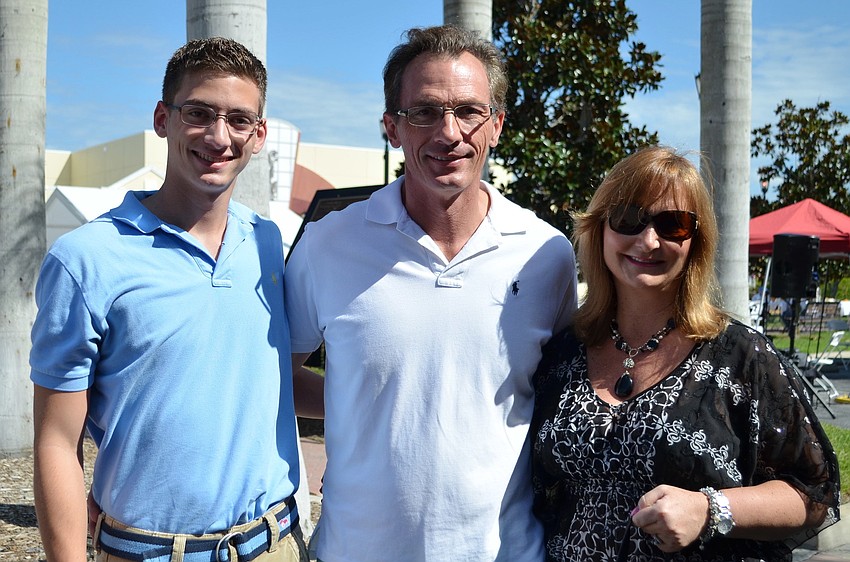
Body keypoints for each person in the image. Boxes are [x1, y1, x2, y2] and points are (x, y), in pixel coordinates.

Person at [284, 25, 578, 562]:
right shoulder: (328, 245)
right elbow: (279, 374)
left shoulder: (545, 255)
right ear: (392, 128)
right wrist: (363, 401)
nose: (449, 132)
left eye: (468, 111)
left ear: (497, 125)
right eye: (424, 112)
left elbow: (564, 396)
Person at [31, 37, 308, 562]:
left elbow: (271, 379)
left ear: (259, 134)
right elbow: (55, 441)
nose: (219, 136)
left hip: (276, 545)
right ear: (163, 118)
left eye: (239, 119)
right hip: (150, 552)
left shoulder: (268, 243)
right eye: (199, 113)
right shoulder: (85, 259)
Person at [530, 145, 840, 561]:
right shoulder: (562, 351)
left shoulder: (741, 356)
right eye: (627, 218)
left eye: (673, 224)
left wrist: (710, 509)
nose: (648, 239)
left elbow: (812, 493)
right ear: (600, 229)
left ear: (695, 241)